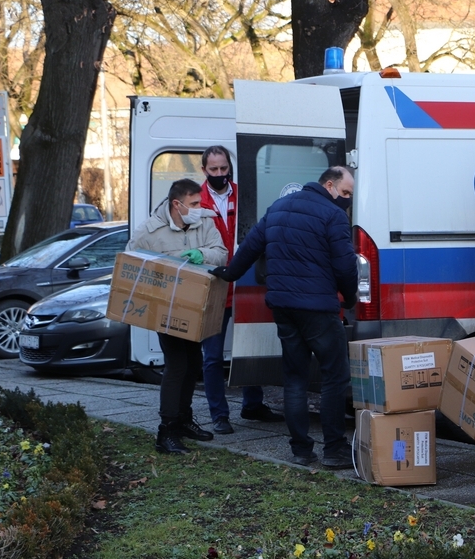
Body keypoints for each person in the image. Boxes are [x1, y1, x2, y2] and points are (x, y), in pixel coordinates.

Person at [211, 166, 358, 469]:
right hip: (318, 309)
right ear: (328, 185)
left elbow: (250, 246)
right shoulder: (333, 216)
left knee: (294, 379)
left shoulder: (277, 208)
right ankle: (334, 449)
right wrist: (351, 296)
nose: (346, 200)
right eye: (345, 193)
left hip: (283, 307)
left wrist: (230, 274)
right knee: (334, 375)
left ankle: (301, 450)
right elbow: (345, 266)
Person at [127, 178, 228, 455]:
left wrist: (201, 253)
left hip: (195, 306)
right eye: (194, 203)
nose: (199, 207)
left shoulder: (204, 223)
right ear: (177, 204)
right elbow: (132, 262)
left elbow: (221, 254)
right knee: (177, 365)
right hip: (166, 308)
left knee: (194, 362)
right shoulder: (150, 231)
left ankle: (183, 420)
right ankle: (166, 430)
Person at [198, 145, 284, 435]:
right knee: (212, 356)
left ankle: (252, 404)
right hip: (213, 284)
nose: (220, 174)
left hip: (245, 279)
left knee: (249, 345)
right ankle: (219, 414)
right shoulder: (195, 202)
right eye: (214, 170)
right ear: (204, 171)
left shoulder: (245, 193)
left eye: (224, 169)